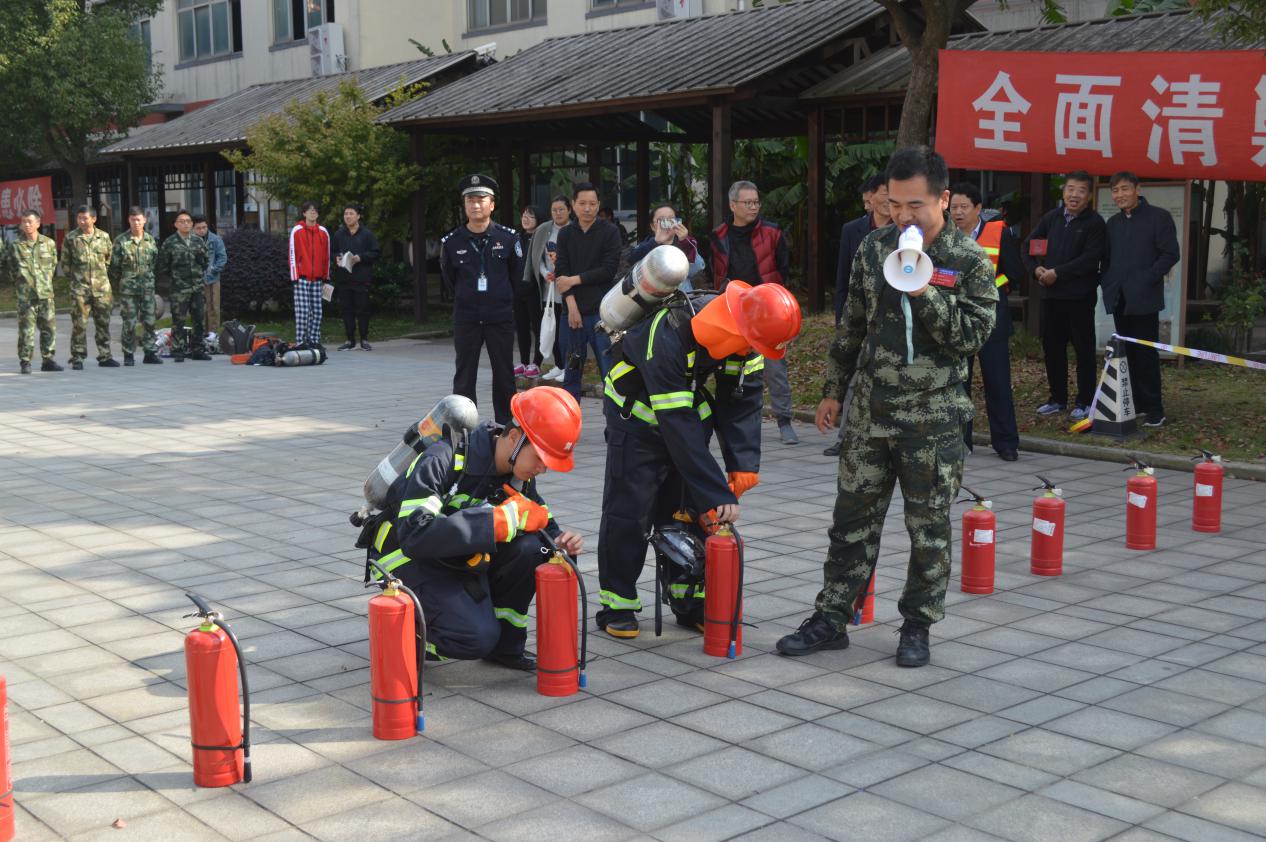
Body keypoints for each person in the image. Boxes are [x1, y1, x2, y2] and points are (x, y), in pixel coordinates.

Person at [777, 146, 996, 667]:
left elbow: (972, 335)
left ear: (943, 199)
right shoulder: (873, 247)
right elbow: (851, 323)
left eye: (914, 205)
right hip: (869, 415)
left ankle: (917, 625)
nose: (902, 216)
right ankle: (831, 617)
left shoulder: (969, 260)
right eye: (894, 204)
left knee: (929, 528)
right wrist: (833, 390)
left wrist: (925, 291)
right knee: (850, 521)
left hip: (933, 420)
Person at [596, 279, 802, 638]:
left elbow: (742, 401)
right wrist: (717, 492)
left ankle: (688, 601)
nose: (754, 353)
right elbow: (674, 425)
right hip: (635, 415)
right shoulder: (668, 333)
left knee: (686, 511)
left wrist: (743, 465)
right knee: (629, 511)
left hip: (685, 411)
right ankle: (619, 603)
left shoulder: (748, 336)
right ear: (742, 325)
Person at [365, 387, 584, 668]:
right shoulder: (442, 459)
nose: (543, 469)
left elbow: (538, 517)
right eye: (541, 458)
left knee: (533, 549)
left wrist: (559, 542)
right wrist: (498, 523)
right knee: (474, 638)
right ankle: (407, 630)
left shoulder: (516, 473)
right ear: (515, 438)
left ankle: (504, 647)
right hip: (405, 557)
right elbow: (414, 534)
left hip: (453, 557)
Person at [710, 180, 797, 445]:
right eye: (747, 203)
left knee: (774, 365)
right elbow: (715, 271)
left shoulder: (772, 232)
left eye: (756, 202)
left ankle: (784, 421)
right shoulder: (719, 235)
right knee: (729, 367)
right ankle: (730, 419)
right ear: (733, 205)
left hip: (767, 310)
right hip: (732, 308)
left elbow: (783, 267)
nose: (753, 207)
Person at [1023, 172, 1107, 421]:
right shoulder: (1051, 219)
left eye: (1081, 190)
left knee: (1083, 350)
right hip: (1051, 298)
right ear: (1063, 192)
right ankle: (1057, 398)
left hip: (1079, 298)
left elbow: (1091, 259)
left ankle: (1084, 401)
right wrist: (1036, 270)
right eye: (1070, 189)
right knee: (1053, 349)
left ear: (1089, 195)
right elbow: (1028, 246)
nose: (1074, 195)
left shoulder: (1095, 223)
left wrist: (1058, 273)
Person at [441, 174, 524, 425]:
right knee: (465, 375)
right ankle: (464, 426)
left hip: (499, 316)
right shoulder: (452, 242)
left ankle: (505, 424)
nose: (475, 205)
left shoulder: (508, 238)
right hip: (467, 317)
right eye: (470, 201)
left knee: (503, 373)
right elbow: (450, 280)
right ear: (464, 205)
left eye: (481, 200)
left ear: (492, 204)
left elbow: (517, 277)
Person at [1101, 172, 1180, 428]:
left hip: (1144, 298)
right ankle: (1133, 404)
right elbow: (1107, 258)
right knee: (1127, 355)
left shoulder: (1159, 217)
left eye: (1125, 189)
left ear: (1137, 189)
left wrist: (1148, 278)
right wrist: (1108, 281)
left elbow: (1170, 254)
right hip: (1119, 298)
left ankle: (1155, 410)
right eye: (1115, 191)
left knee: (1146, 354)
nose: (1120, 195)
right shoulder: (1113, 223)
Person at [949, 182, 1022, 461]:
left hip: (992, 320)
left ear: (978, 209)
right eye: (953, 207)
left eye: (963, 207)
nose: (957, 212)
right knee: (958, 384)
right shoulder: (942, 237)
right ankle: (960, 441)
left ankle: (1005, 443)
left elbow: (1014, 275)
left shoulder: (999, 233)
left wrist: (989, 288)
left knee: (998, 383)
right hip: (957, 321)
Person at [825, 173, 891, 457]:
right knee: (851, 376)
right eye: (885, 193)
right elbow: (843, 280)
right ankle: (845, 437)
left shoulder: (908, 234)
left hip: (887, 324)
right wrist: (843, 318)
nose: (890, 200)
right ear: (870, 197)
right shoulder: (854, 230)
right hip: (857, 317)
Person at [554, 182, 622, 399]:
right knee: (572, 373)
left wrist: (573, 280)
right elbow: (561, 271)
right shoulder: (565, 234)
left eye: (592, 204)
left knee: (609, 372)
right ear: (573, 205)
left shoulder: (610, 231)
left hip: (602, 314)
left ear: (598, 205)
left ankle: (616, 428)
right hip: (572, 314)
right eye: (582, 203)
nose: (587, 208)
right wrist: (571, 306)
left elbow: (608, 270)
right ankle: (568, 428)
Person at [59, 205, 117, 369]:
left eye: (85, 218)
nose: (82, 221)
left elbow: (109, 259)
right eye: (79, 218)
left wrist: (100, 277)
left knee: (103, 323)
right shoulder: (71, 238)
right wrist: (78, 278)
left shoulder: (103, 237)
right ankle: (77, 357)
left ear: (94, 219)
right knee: (79, 324)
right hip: (80, 289)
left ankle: (105, 356)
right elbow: (65, 264)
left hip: (101, 290)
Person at [2, 209, 60, 373]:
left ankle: (48, 360)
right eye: (23, 222)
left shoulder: (48, 243)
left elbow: (53, 264)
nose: (26, 225)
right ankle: (25, 361)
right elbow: (10, 268)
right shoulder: (16, 246)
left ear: (38, 223)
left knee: (48, 328)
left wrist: (44, 282)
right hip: (26, 296)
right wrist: (21, 283)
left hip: (45, 294)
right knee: (26, 331)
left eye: (29, 221)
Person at [525, 195, 573, 382]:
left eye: (562, 209)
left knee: (565, 330)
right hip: (549, 288)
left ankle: (568, 367)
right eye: (554, 210)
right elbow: (538, 259)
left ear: (569, 210)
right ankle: (558, 364)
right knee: (549, 327)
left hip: (568, 287)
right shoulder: (544, 229)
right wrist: (545, 273)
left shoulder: (573, 230)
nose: (558, 213)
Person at [156, 209, 210, 362]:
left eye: (188, 221)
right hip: (179, 289)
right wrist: (175, 279)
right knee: (178, 320)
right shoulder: (170, 243)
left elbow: (205, 262)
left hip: (197, 287)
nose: (185, 223)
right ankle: (178, 350)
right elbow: (163, 266)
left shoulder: (198, 241)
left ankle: (198, 349)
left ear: (192, 224)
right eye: (182, 221)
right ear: (175, 224)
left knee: (199, 318)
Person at [110, 206, 162, 366]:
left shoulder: (150, 240)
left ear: (144, 220)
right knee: (129, 322)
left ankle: (150, 352)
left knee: (149, 321)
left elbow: (154, 263)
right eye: (133, 220)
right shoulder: (121, 241)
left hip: (147, 288)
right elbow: (114, 267)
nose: (136, 223)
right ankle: (128, 354)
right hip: (128, 290)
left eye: (139, 219)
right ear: (129, 221)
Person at [331, 203, 380, 351]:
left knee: (363, 309)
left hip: (361, 278)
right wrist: (336, 258)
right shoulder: (339, 234)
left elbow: (376, 253)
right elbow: (332, 252)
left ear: (358, 216)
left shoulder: (367, 234)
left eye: (351, 213)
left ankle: (364, 339)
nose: (348, 216)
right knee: (346, 310)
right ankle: (349, 340)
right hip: (344, 278)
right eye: (346, 214)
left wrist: (361, 257)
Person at [626, 202, 707, 289]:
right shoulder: (647, 245)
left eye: (670, 220)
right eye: (661, 220)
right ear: (653, 226)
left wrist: (685, 243)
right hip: (654, 298)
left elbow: (696, 269)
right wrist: (655, 242)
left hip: (682, 298)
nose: (666, 225)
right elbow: (632, 260)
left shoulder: (685, 243)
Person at [289, 201, 330, 349]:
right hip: (302, 277)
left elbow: (327, 255)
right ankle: (301, 341)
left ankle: (314, 340)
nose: (313, 212)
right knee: (303, 312)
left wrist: (326, 276)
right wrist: (295, 276)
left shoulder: (323, 232)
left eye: (315, 210)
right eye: (309, 210)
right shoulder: (297, 230)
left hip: (318, 278)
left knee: (317, 312)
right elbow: (292, 253)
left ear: (318, 214)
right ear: (304, 213)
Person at [513, 204, 544, 378]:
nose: (525, 219)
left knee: (537, 327)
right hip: (518, 291)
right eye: (524, 215)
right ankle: (523, 362)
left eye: (530, 216)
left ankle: (536, 362)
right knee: (521, 327)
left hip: (535, 291)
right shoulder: (517, 238)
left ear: (538, 220)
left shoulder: (541, 238)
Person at [192, 216, 227, 337]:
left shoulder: (215, 239)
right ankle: (201, 331)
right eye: (198, 228)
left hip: (213, 278)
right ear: (193, 229)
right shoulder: (190, 241)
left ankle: (213, 332)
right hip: (196, 279)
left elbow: (222, 257)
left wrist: (214, 269)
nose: (202, 230)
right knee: (199, 307)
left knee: (214, 305)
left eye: (204, 227)